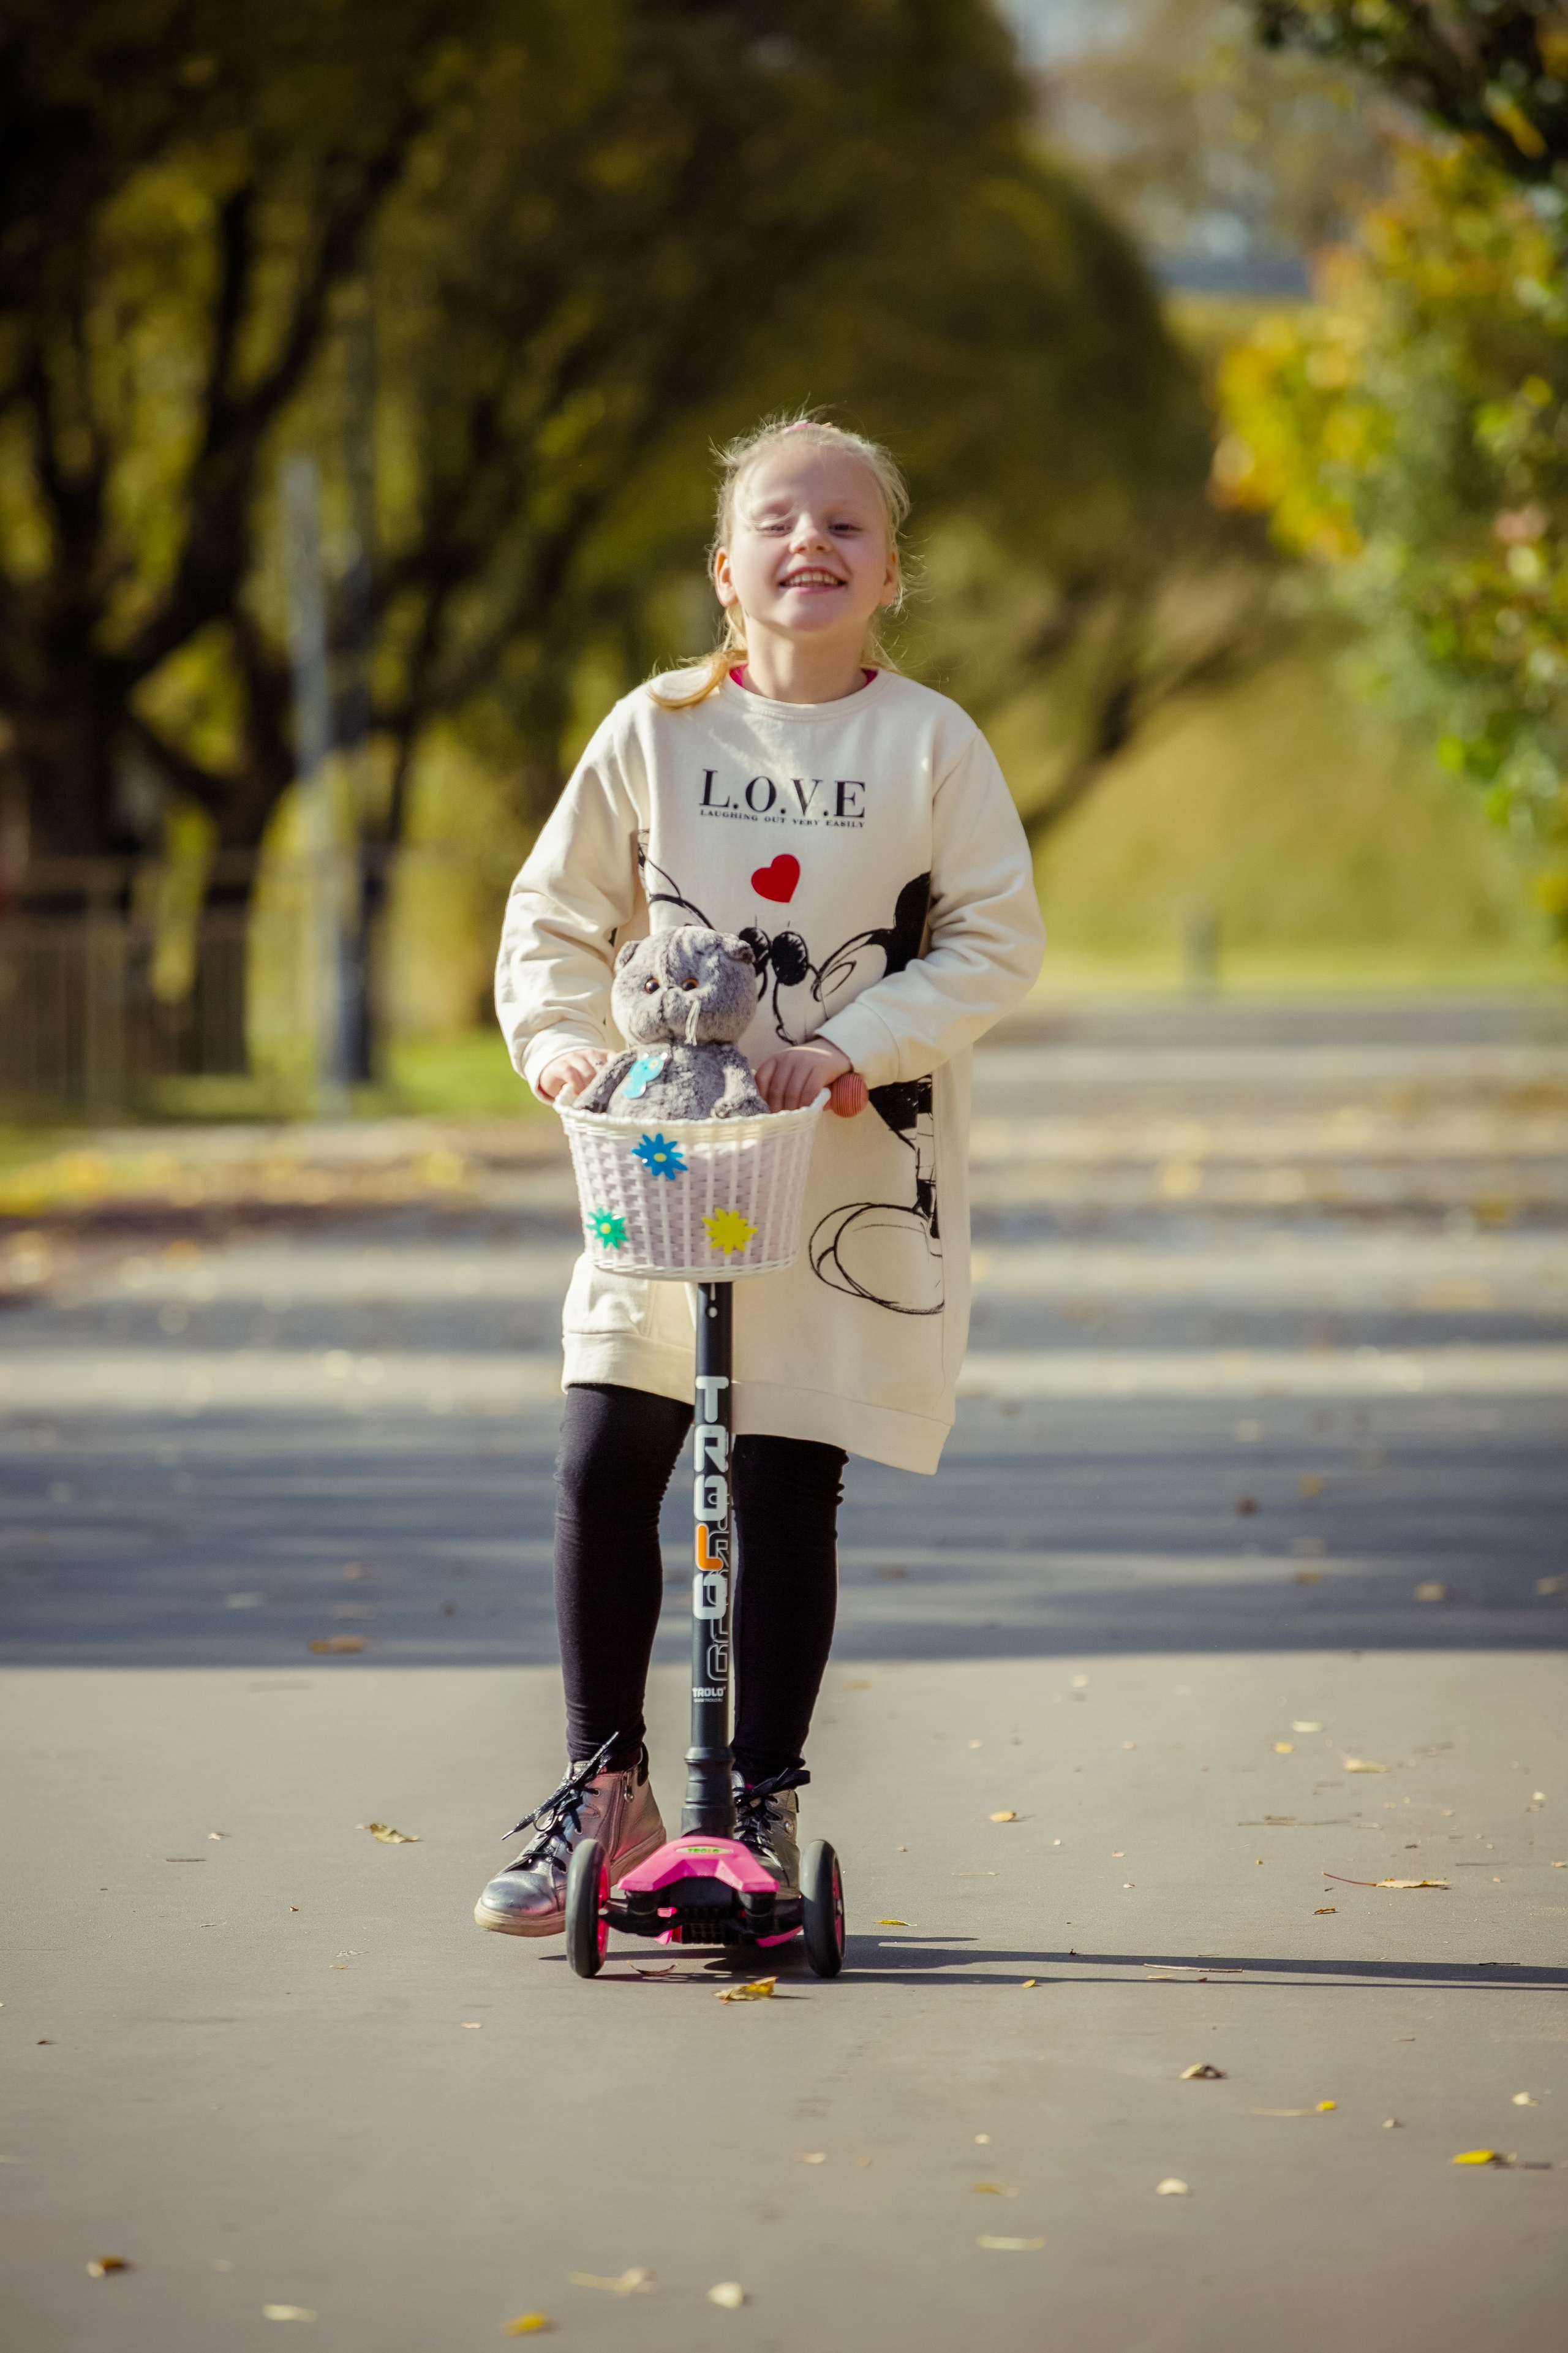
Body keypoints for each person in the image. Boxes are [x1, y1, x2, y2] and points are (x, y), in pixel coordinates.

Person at [477, 414, 1044, 1935]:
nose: (812, 544)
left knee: (787, 1484)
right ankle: (605, 1790)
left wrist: (852, 1042)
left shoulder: (931, 743)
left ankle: (762, 1802)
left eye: (846, 526)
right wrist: (555, 1045)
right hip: (662, 1168)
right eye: (778, 523)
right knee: (607, 1457)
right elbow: (553, 918)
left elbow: (996, 936)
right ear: (724, 570)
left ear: (890, 575)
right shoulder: (654, 729)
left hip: (839, 1175)